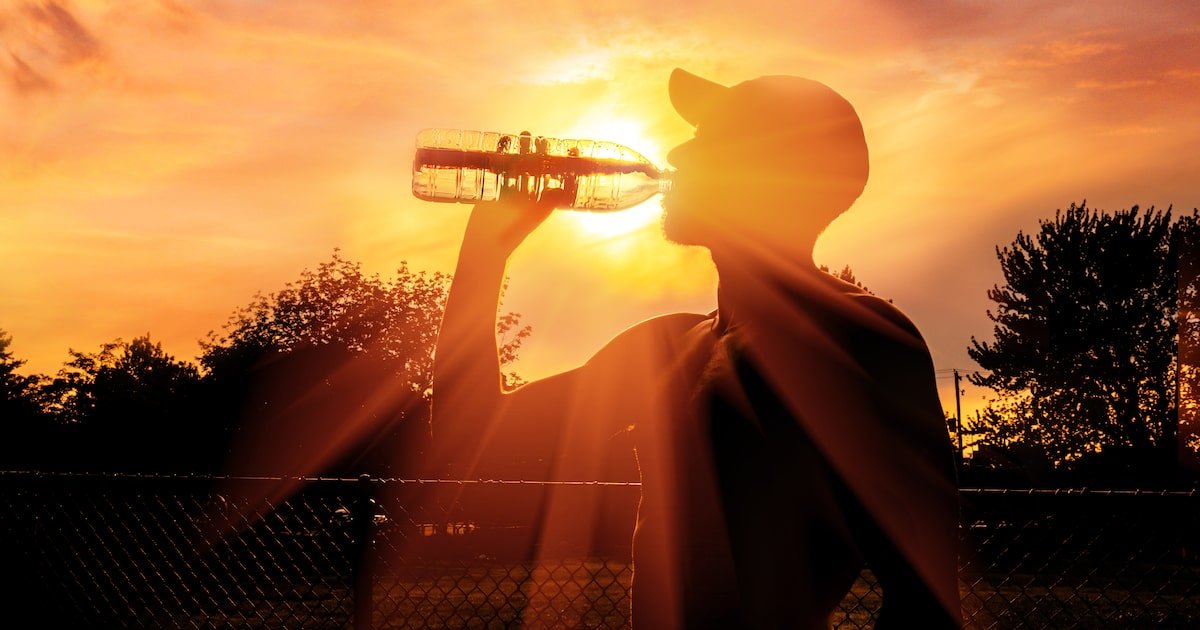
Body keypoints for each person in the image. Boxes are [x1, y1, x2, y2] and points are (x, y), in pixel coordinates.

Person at [430, 68, 962, 629]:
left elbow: (926, 602)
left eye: (711, 140)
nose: (678, 152)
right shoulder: (666, 347)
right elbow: (470, 440)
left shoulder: (857, 339)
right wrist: (486, 250)